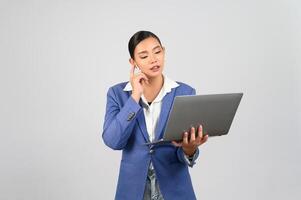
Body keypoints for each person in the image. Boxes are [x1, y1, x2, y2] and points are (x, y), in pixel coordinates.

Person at [102, 30, 208, 200]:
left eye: (157, 52)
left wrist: (189, 149)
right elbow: (113, 141)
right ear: (133, 62)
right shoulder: (117, 94)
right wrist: (135, 97)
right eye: (144, 56)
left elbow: (185, 148)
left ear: (164, 52)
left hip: (174, 188)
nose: (153, 59)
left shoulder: (185, 92)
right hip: (133, 189)